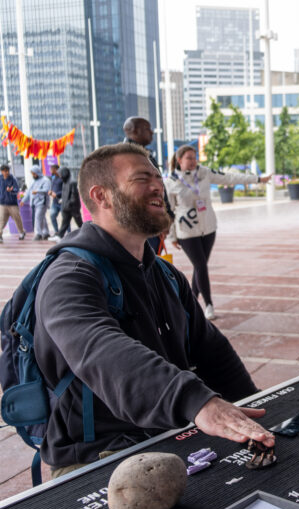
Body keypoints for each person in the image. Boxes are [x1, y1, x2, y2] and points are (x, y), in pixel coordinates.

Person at [34, 142, 274, 477]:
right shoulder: (70, 277)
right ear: (101, 196)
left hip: (168, 434)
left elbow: (211, 350)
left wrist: (264, 408)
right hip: (98, 454)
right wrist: (198, 403)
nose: (158, 185)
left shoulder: (162, 272)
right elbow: (102, 351)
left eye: (158, 176)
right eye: (141, 178)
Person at [165, 145, 270, 320]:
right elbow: (168, 211)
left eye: (194, 157)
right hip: (186, 230)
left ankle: (190, 305)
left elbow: (229, 177)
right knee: (200, 266)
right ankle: (208, 305)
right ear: (179, 160)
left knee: (200, 267)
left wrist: (258, 179)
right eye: (189, 158)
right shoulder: (170, 182)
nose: (193, 161)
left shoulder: (204, 173)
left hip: (208, 227)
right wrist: (172, 236)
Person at [123, 116, 174, 252]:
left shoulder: (143, 154)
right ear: (134, 130)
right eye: (147, 129)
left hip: (150, 219)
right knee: (144, 262)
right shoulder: (127, 156)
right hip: (142, 221)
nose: (151, 132)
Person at [20, 165, 51, 241]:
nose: (33, 175)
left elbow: (47, 190)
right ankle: (46, 233)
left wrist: (37, 191)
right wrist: (23, 200)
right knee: (42, 218)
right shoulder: (33, 181)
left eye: (34, 173)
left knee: (37, 217)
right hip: (34, 202)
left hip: (42, 202)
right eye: (32, 174)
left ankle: (38, 234)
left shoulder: (45, 180)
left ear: (38, 172)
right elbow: (28, 192)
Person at [0, 164, 25, 242]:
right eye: (4, 171)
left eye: (7, 171)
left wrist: (12, 190)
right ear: (1, 171)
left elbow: (17, 189)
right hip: (2, 203)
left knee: (17, 219)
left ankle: (21, 232)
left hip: (12, 204)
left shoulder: (13, 179)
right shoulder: (0, 179)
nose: (6, 172)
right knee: (1, 220)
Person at [55, 168, 82, 239]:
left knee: (78, 221)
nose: (60, 176)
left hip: (73, 207)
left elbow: (74, 196)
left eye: (60, 174)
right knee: (65, 222)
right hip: (66, 207)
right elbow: (65, 194)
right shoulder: (65, 182)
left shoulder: (72, 182)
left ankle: (86, 234)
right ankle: (60, 235)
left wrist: (68, 204)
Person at [47, 166, 63, 241]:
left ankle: (69, 233)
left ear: (56, 169)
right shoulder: (53, 178)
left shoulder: (62, 178)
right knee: (52, 215)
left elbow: (65, 189)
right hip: (55, 202)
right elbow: (53, 188)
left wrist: (57, 194)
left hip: (62, 201)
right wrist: (50, 192)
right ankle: (57, 232)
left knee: (65, 218)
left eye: (51, 169)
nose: (50, 170)